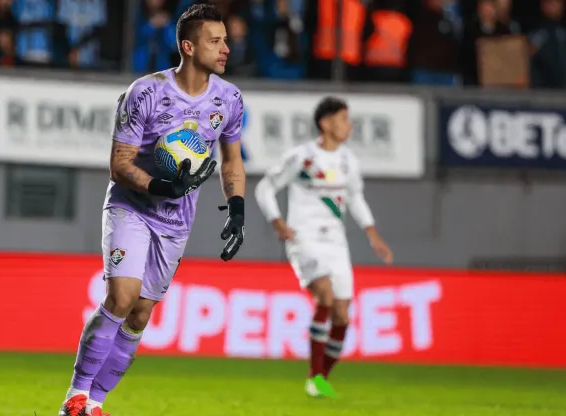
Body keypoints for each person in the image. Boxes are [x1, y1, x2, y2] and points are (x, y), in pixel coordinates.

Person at [58, 4, 247, 416]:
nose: (225, 48)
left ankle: (95, 404)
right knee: (122, 296)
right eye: (215, 41)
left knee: (140, 315)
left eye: (226, 40)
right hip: (132, 207)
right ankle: (73, 397)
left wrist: (236, 208)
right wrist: (162, 184)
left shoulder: (229, 100)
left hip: (176, 221)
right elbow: (120, 163)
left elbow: (231, 159)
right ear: (189, 46)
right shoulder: (145, 92)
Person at [254, 96, 393, 398]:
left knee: (342, 316)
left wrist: (373, 234)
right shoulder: (302, 157)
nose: (349, 126)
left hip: (336, 244)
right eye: (343, 119)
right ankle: (315, 376)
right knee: (326, 296)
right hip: (304, 240)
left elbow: (355, 198)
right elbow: (265, 187)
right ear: (325, 123)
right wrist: (277, 222)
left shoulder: (347, 161)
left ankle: (320, 379)